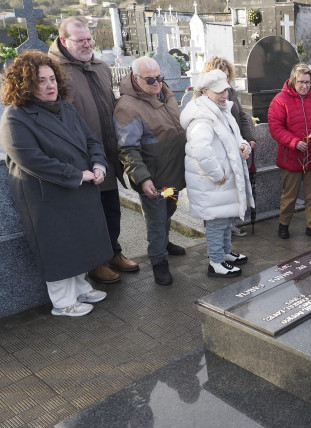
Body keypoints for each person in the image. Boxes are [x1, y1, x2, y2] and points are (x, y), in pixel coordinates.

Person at [0, 50, 112, 316]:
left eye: (52, 78)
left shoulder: (66, 107)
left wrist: (98, 164)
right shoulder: (15, 117)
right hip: (46, 195)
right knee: (59, 246)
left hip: (78, 188)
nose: (50, 85)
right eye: (41, 81)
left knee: (80, 241)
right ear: (25, 84)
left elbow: (92, 139)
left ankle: (80, 286)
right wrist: (77, 174)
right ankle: (63, 302)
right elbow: (31, 159)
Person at [49, 16, 139, 284]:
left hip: (107, 150)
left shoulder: (100, 66)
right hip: (79, 155)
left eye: (90, 39)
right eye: (81, 40)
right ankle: (96, 262)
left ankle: (113, 252)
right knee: (90, 213)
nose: (88, 44)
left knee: (112, 207)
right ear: (64, 41)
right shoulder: (53, 69)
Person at [114, 56, 187, 285]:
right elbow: (127, 148)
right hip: (155, 179)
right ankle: (158, 261)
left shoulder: (164, 91)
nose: (157, 83)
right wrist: (142, 178)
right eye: (150, 80)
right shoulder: (127, 107)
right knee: (156, 220)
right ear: (135, 79)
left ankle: (163, 242)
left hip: (173, 175)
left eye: (159, 77)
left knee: (169, 210)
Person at [181, 69, 253, 278]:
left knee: (225, 219)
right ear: (205, 91)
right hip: (213, 182)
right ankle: (216, 262)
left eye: (226, 91)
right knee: (216, 223)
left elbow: (234, 135)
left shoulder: (221, 110)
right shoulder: (202, 117)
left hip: (223, 180)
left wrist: (243, 146)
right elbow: (200, 149)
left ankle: (225, 253)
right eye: (218, 92)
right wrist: (217, 173)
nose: (224, 95)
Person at [268, 63, 311, 241]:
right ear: (293, 81)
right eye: (301, 82)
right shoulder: (280, 100)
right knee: (289, 195)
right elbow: (275, 127)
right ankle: (284, 225)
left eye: (308, 82)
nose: (304, 86)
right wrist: (293, 142)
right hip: (291, 156)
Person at [201, 57, 257, 237]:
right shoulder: (202, 97)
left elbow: (241, 116)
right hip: (218, 152)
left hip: (235, 147)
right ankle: (216, 230)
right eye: (220, 77)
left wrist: (248, 138)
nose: (224, 83)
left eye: (227, 77)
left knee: (233, 190)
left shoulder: (230, 93)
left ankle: (228, 227)